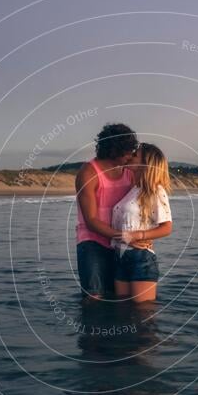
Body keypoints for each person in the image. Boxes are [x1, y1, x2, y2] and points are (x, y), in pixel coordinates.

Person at [75, 123, 147, 299]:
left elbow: (147, 199)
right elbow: (91, 220)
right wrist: (125, 236)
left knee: (121, 298)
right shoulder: (88, 173)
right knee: (94, 298)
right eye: (128, 151)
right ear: (115, 150)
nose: (131, 156)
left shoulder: (129, 171)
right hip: (93, 242)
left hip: (122, 243)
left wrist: (144, 236)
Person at [110, 143, 172, 303]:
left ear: (145, 163)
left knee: (142, 318)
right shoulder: (133, 190)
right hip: (120, 256)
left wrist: (139, 235)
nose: (130, 155)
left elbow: (166, 227)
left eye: (135, 154)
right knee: (122, 311)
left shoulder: (155, 191)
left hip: (141, 259)